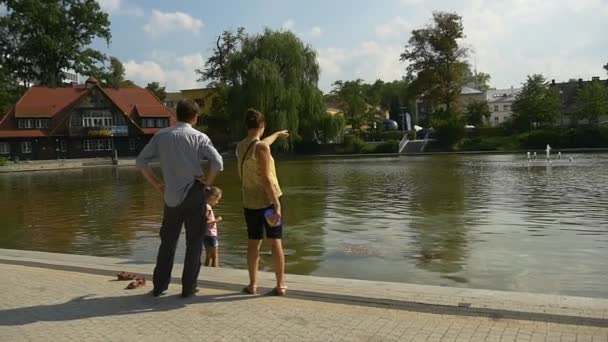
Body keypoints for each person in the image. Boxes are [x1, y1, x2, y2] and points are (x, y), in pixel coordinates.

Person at [136, 99, 223, 298]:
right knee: (194, 242)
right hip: (194, 192)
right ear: (195, 117)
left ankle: (159, 286)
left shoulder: (161, 136)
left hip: (171, 195)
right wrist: (206, 182)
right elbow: (217, 162)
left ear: (176, 115)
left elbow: (141, 162)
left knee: (167, 242)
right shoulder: (199, 137)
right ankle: (188, 288)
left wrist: (157, 184)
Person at [236, 109, 289, 296]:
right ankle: (281, 285)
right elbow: (266, 178)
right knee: (275, 242)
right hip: (268, 202)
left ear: (247, 126)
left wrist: (277, 134)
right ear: (262, 126)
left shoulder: (241, 146)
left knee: (253, 242)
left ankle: (252, 285)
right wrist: (277, 203)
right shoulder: (262, 148)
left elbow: (262, 143)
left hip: (249, 202)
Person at [204, 186, 223, 267]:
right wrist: (216, 220)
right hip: (211, 235)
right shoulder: (207, 207)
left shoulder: (203, 205)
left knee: (208, 255)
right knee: (215, 256)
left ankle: (206, 269)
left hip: (205, 234)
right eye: (217, 199)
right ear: (212, 197)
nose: (217, 202)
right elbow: (204, 221)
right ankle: (215, 271)